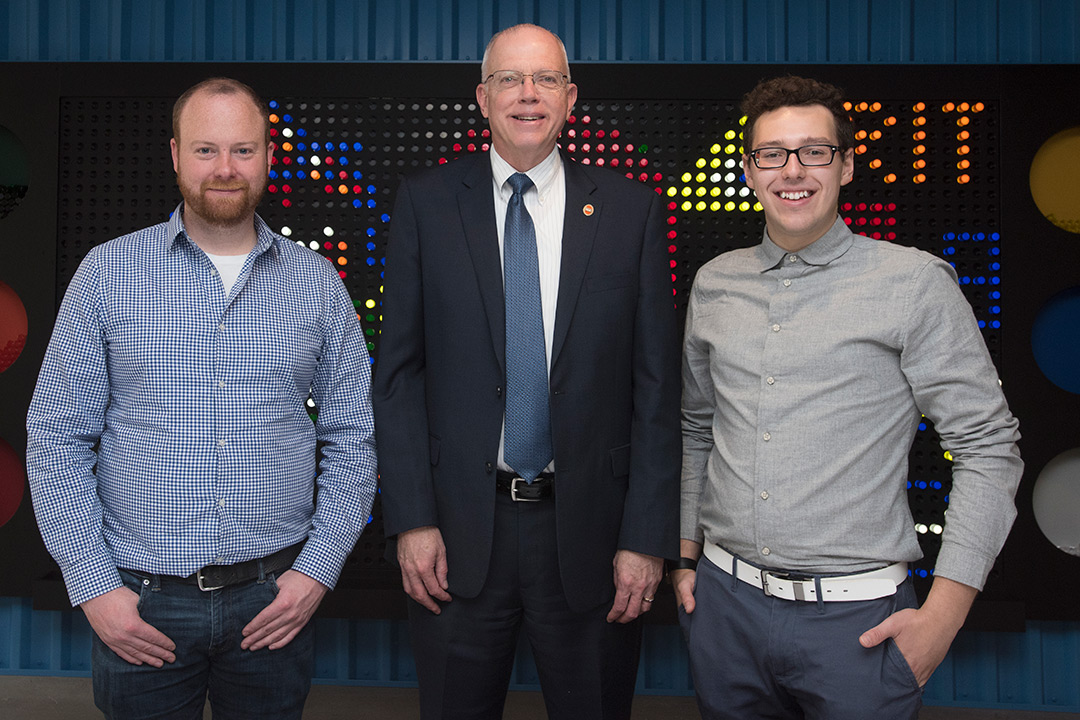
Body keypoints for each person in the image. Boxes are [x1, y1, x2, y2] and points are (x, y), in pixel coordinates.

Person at [25, 77, 378, 719]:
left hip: (272, 601)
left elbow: (354, 440)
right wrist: (93, 586)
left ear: (269, 157)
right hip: (142, 601)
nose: (224, 169)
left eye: (243, 150)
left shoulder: (316, 283)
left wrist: (315, 574)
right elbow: (55, 438)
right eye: (205, 149)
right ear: (175, 155)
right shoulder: (107, 272)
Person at [673, 75, 1023, 720]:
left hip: (857, 625)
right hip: (724, 610)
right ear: (749, 170)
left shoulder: (914, 283)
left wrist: (943, 616)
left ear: (846, 165)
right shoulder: (715, 283)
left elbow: (987, 447)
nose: (793, 171)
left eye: (814, 151)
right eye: (772, 154)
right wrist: (686, 558)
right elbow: (698, 427)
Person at [372, 23, 680, 720]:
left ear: (571, 98)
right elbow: (398, 376)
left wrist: (645, 538)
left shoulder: (632, 212)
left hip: (595, 543)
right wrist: (412, 519)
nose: (527, 95)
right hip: (455, 539)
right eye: (510, 79)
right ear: (482, 98)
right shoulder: (425, 204)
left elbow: (656, 390)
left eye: (545, 79)